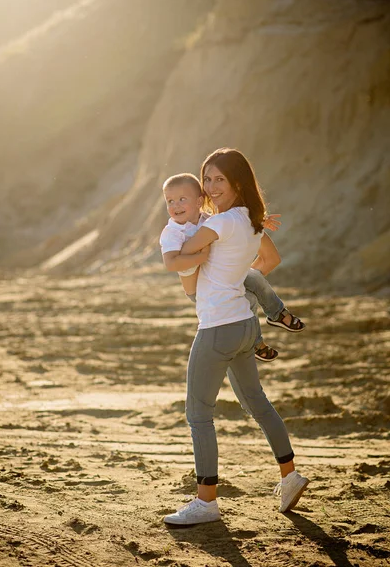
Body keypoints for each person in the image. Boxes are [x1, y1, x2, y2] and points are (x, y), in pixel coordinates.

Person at [162, 148, 309, 526]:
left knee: (198, 416)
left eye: (218, 180)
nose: (211, 186)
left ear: (237, 183)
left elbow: (186, 260)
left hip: (217, 329)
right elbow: (270, 263)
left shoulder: (220, 223)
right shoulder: (250, 221)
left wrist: (203, 269)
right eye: (207, 179)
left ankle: (206, 501)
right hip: (245, 325)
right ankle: (289, 476)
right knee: (258, 405)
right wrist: (234, 276)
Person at [159, 173, 305, 362]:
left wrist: (258, 222)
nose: (175, 206)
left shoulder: (209, 220)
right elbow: (171, 263)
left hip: (220, 278)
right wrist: (199, 256)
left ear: (199, 202)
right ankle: (257, 343)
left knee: (254, 279)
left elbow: (234, 225)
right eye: (170, 201)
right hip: (199, 289)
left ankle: (276, 313)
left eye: (182, 199)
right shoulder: (173, 232)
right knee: (248, 300)